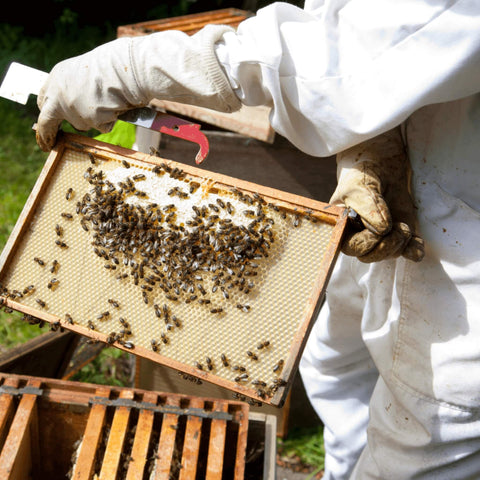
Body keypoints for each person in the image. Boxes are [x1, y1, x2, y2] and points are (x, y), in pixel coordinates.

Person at [36, 1, 480, 478]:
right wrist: (375, 144)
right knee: (332, 359)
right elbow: (367, 29)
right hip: (413, 192)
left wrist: (134, 66)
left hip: (464, 275)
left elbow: (387, 39)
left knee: (418, 440)